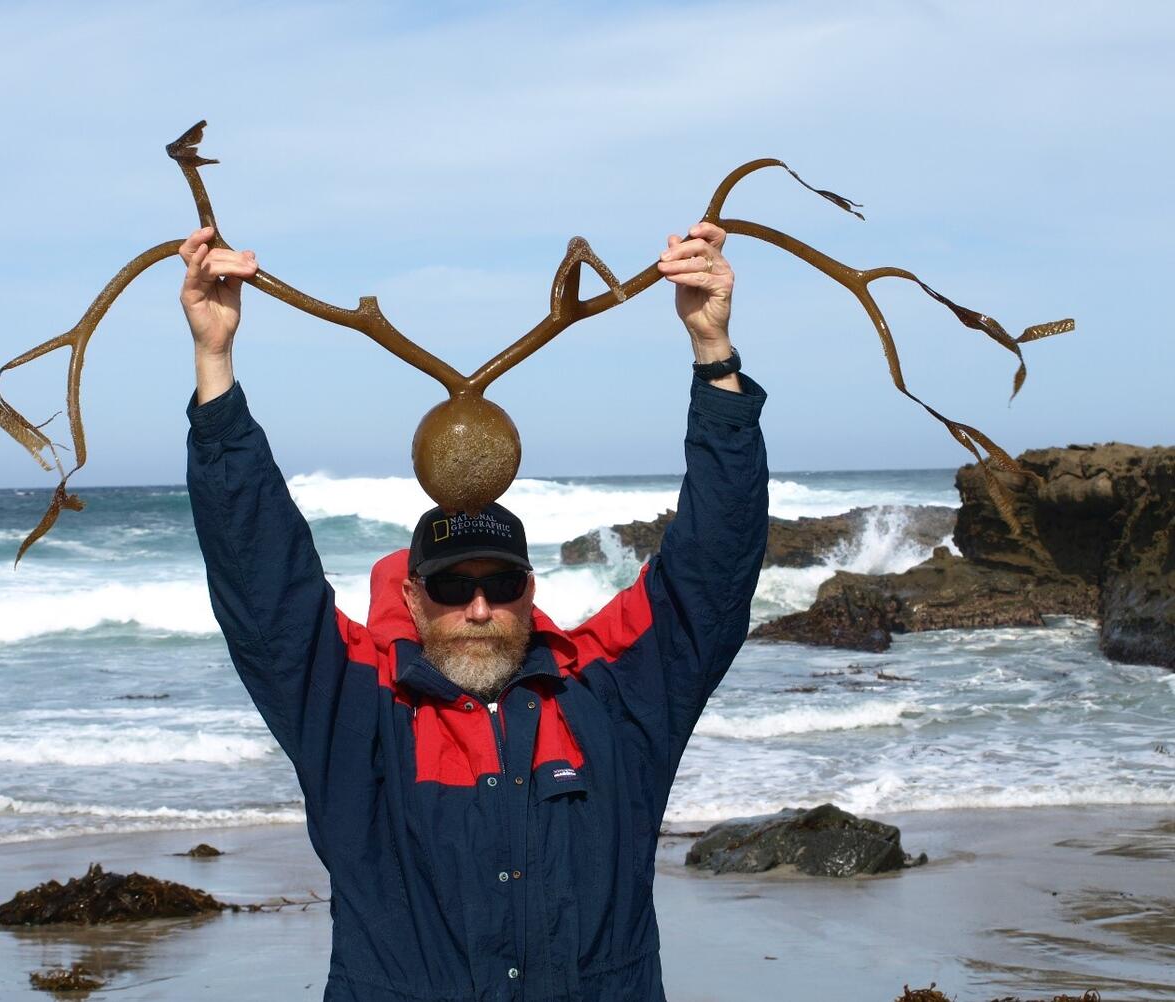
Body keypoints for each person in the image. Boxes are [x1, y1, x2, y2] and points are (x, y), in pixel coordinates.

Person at [180, 220, 768, 1002]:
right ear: (414, 597)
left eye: (502, 584)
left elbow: (711, 573)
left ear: (531, 589)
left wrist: (712, 353)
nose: (481, 607)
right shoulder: (357, 710)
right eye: (455, 588)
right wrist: (215, 363)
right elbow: (263, 582)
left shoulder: (609, 699)